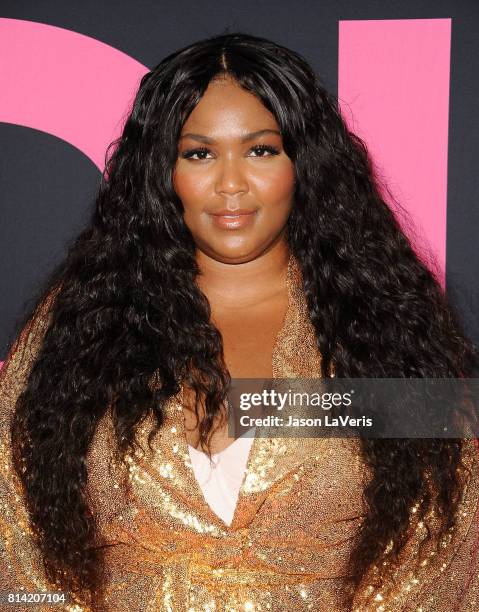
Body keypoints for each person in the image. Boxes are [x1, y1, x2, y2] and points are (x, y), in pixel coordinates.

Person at [0, 32, 478, 612]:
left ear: (306, 162)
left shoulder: (387, 330)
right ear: (162, 170)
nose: (230, 185)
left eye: (261, 150)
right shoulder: (77, 328)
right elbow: (19, 536)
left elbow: (440, 540)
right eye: (199, 153)